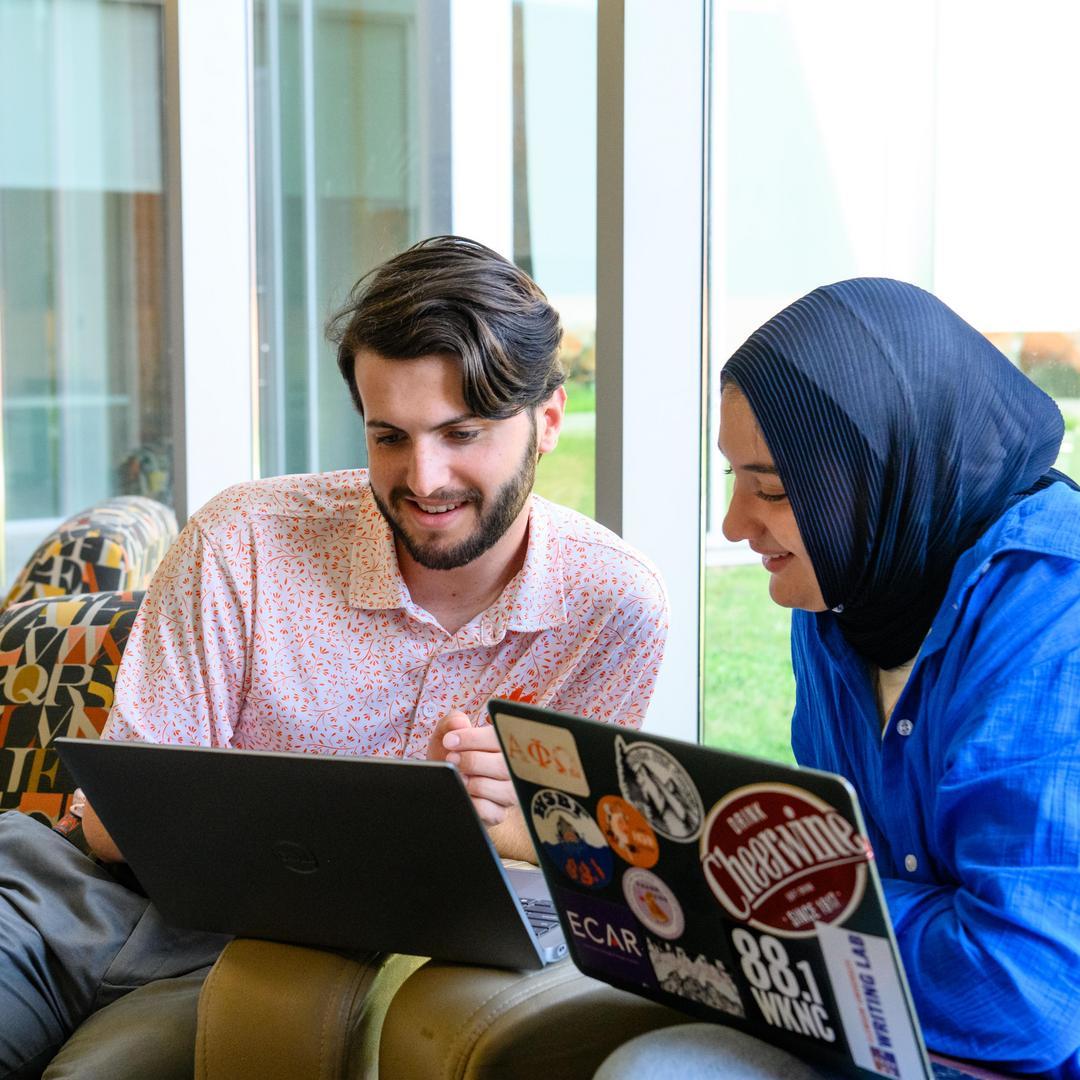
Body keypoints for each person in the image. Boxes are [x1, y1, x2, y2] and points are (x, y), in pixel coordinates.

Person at [0, 235, 669, 1079]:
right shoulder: (242, 539)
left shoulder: (610, 606)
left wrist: (513, 828)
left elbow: (578, 868)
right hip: (70, 898)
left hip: (268, 963)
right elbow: (107, 823)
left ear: (548, 421)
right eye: (389, 436)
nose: (423, 479)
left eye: (461, 433)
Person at [597, 278, 1080, 1079]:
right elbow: (828, 860)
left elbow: (1021, 992)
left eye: (775, 490)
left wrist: (770, 902)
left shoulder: (1055, 616)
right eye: (734, 477)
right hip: (880, 1031)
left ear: (886, 470)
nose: (733, 524)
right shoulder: (846, 588)